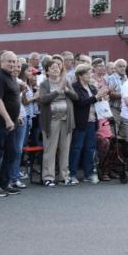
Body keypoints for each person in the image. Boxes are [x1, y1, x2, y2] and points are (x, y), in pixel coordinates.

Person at [0, 51, 23, 196]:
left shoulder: (11, 77)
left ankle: (4, 184)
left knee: (11, 153)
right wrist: (7, 118)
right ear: (1, 62)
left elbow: (12, 99)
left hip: (11, 122)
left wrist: (16, 116)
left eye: (14, 61)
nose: (12, 64)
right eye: (9, 61)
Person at [39, 58, 77, 186]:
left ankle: (64, 176)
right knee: (50, 149)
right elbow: (44, 99)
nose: (55, 69)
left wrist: (66, 90)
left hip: (66, 119)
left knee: (65, 149)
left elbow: (75, 97)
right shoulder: (44, 84)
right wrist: (57, 90)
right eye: (52, 67)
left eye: (57, 67)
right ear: (47, 71)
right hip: (51, 120)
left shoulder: (65, 81)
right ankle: (48, 177)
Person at [70, 64, 110, 184]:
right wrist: (96, 96)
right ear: (80, 75)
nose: (90, 75)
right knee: (77, 148)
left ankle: (88, 174)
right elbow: (80, 102)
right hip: (80, 122)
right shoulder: (75, 87)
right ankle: (72, 174)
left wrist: (102, 97)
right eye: (87, 73)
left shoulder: (91, 87)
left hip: (92, 121)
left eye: (90, 73)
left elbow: (96, 100)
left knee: (90, 148)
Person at [9, 62, 30, 189]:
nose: (16, 69)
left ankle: (15, 177)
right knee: (10, 149)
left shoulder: (21, 82)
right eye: (13, 66)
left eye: (18, 67)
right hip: (11, 118)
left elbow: (22, 101)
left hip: (22, 116)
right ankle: (9, 178)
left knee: (18, 149)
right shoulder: (6, 81)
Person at [23, 64, 41, 147]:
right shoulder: (24, 85)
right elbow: (24, 101)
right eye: (33, 75)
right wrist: (35, 97)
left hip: (35, 115)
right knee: (24, 142)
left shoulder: (36, 87)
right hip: (26, 115)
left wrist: (38, 96)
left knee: (35, 141)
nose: (35, 77)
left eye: (36, 75)